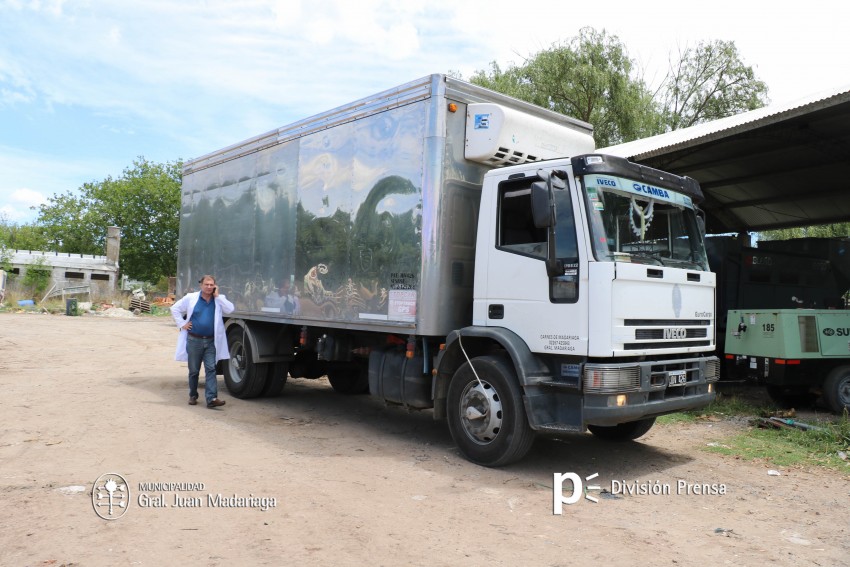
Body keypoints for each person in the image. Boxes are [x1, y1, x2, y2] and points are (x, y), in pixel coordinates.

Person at [170, 275, 234, 408]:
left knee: (211, 369)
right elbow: (174, 308)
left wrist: (218, 296)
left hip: (211, 341)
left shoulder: (218, 300)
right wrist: (182, 324)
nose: (209, 287)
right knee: (194, 370)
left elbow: (230, 309)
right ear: (201, 285)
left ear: (215, 286)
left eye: (212, 285)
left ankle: (211, 398)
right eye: (207, 284)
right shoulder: (191, 298)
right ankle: (193, 394)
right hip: (194, 340)